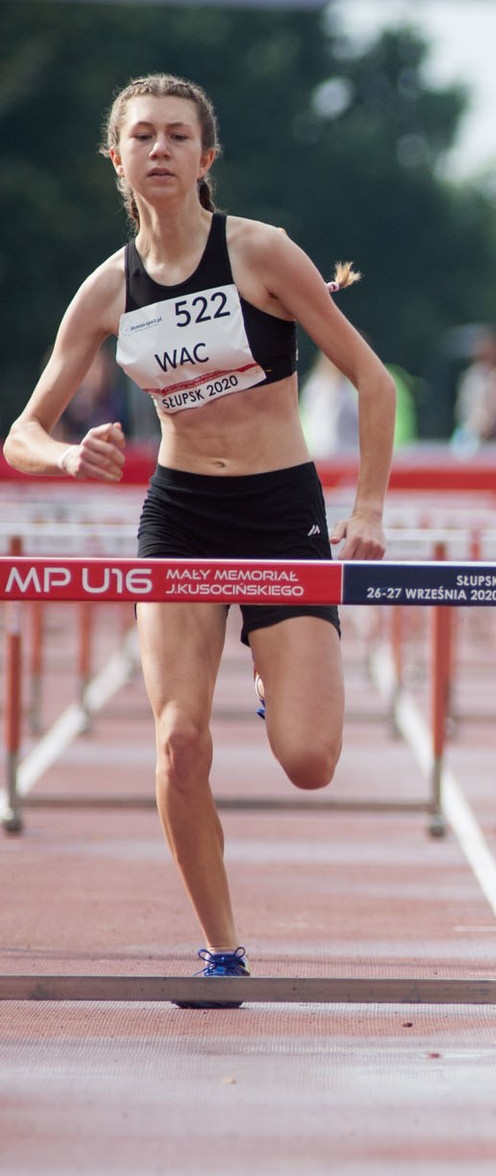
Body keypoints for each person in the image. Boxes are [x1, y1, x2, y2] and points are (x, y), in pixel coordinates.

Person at [3, 73, 396, 1004]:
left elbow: (373, 383)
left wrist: (369, 508)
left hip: (280, 512)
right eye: (143, 136)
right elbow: (19, 432)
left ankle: (273, 673)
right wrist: (66, 459)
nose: (161, 150)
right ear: (118, 158)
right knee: (179, 743)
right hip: (179, 515)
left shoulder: (262, 254)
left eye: (179, 136)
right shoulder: (108, 289)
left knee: (309, 763)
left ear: (206, 158)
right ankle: (222, 949)